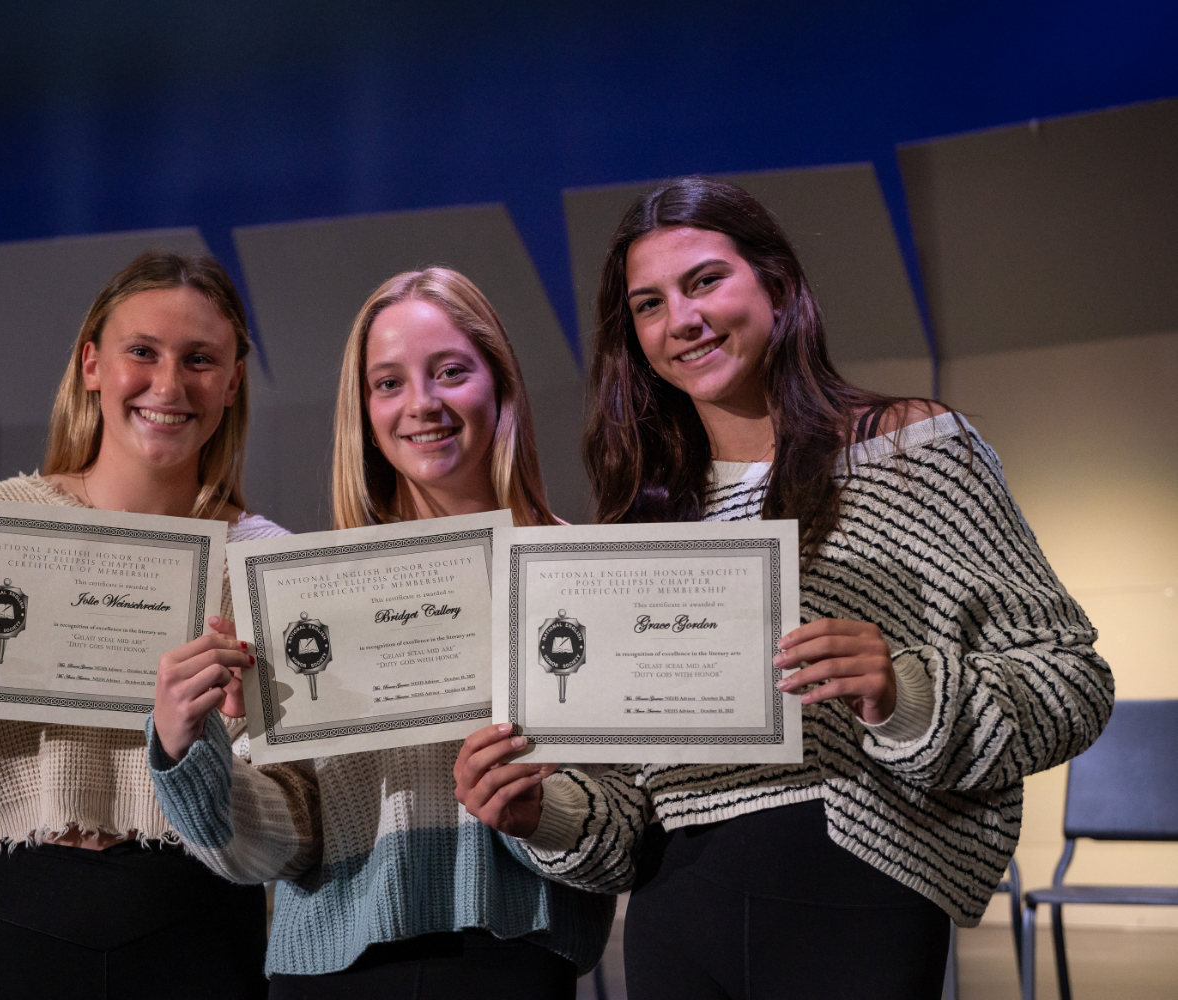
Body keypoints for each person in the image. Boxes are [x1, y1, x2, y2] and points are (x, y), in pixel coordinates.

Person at [454, 178, 1115, 999]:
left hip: (859, 890)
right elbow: (622, 804)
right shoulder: (633, 528)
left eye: (704, 281)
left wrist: (901, 690)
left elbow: (1071, 679)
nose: (682, 320)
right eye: (649, 305)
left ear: (776, 282)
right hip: (670, 910)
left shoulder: (914, 450)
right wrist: (535, 812)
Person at [147, 268, 615, 998]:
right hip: (330, 972)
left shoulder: (580, 575)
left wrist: (540, 813)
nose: (421, 404)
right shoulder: (312, 597)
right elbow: (277, 846)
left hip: (513, 965)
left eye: (451, 372)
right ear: (363, 411)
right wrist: (191, 749)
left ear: (501, 384)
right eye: (388, 383)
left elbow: (618, 836)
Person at [0, 251, 284, 999]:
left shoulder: (262, 559)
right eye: (141, 352)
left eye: (200, 359)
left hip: (197, 917)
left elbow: (289, 808)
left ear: (233, 381)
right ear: (92, 365)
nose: (168, 385)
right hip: (11, 913)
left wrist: (233, 739)